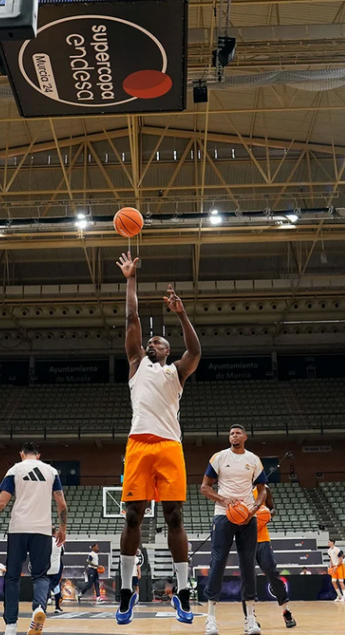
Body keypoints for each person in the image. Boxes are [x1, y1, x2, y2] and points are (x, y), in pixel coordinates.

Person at [114, 251, 201, 626]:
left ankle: (182, 592)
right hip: (139, 444)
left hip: (169, 446)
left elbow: (196, 351)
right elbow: (132, 317)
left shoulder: (177, 373)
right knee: (133, 517)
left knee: (174, 516)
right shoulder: (136, 364)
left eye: (160, 342)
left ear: (168, 351)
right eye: (150, 341)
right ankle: (125, 592)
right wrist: (131, 278)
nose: (153, 342)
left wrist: (181, 314)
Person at [0, 442, 67, 635]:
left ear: (21, 454)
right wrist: (62, 528)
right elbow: (61, 503)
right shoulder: (51, 472)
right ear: (39, 455)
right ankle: (39, 608)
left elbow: (1, 502)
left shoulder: (15, 469)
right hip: (43, 531)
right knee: (41, 575)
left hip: (18, 529)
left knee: (12, 578)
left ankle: (11, 626)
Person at [200, 424, 268, 635]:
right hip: (223, 515)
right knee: (217, 562)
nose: (234, 435)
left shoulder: (254, 459)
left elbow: (263, 489)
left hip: (248, 515)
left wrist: (256, 507)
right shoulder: (219, 457)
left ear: (245, 437)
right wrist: (223, 498)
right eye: (231, 433)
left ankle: (250, 619)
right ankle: (210, 619)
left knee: (248, 564)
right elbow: (204, 487)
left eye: (238, 433)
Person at [247, 487, 296, 628]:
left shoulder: (263, 490)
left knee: (272, 574)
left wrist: (266, 516)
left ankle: (286, 611)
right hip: (246, 541)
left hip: (263, 541)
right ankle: (250, 616)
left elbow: (273, 509)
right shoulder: (238, 490)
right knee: (248, 578)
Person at [47, 527, 66, 614]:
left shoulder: (44, 542)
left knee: (45, 584)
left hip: (46, 567)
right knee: (56, 586)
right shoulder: (59, 542)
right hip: (56, 567)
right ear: (55, 532)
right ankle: (57, 607)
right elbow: (62, 554)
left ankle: (43, 606)